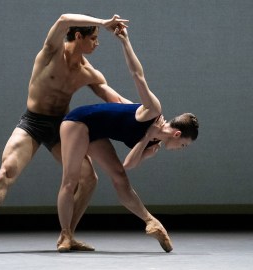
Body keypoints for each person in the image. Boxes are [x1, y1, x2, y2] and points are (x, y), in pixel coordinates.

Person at [0, 14, 132, 255]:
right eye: (93, 38)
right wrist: (103, 22)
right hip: (33, 122)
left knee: (89, 178)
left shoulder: (89, 73)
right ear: (78, 36)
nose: (97, 43)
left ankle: (67, 235)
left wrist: (151, 118)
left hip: (62, 126)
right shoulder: (51, 52)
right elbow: (64, 19)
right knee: (6, 172)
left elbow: (118, 101)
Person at [56, 26, 199, 253]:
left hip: (97, 132)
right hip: (78, 121)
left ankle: (151, 221)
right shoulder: (153, 110)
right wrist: (125, 41)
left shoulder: (153, 145)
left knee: (120, 178)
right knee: (70, 180)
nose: (180, 149)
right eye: (183, 145)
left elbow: (127, 165)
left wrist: (147, 139)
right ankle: (65, 236)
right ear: (177, 134)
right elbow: (137, 75)